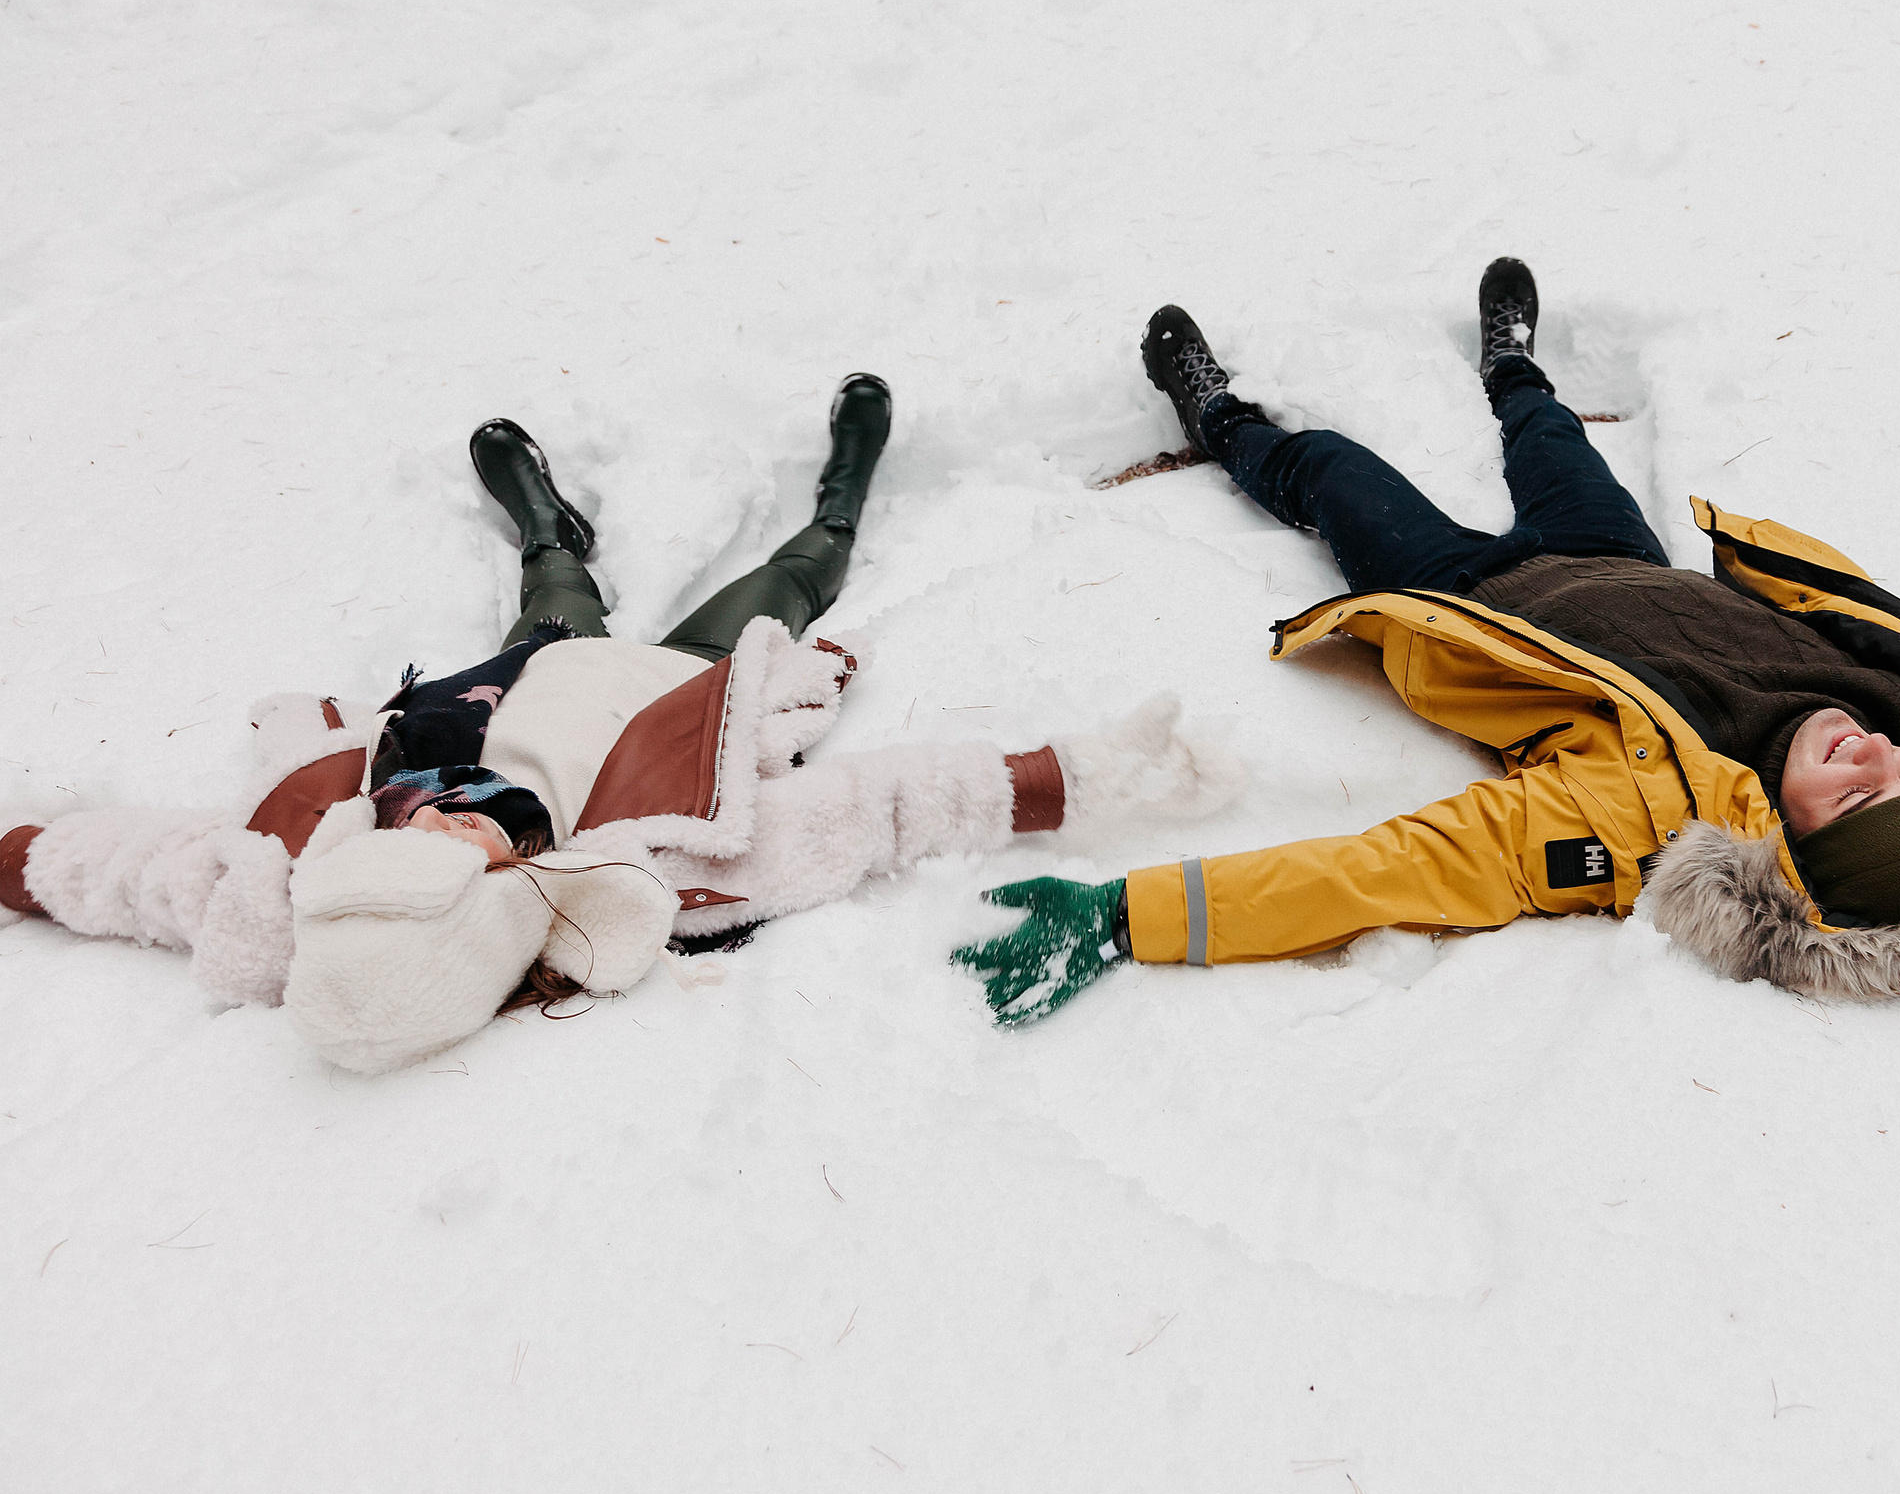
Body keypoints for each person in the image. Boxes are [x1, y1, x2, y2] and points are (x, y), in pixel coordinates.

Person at [952, 260, 1900, 1025]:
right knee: (1558, 444)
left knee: (1336, 476)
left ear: (1793, 836)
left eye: (1853, 790)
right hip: (1623, 563)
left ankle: (1224, 418)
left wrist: (1135, 915)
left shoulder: (1640, 816)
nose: (1876, 754)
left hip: (1476, 602)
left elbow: (1401, 868)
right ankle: (1514, 373)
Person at [1, 376, 1239, 1072]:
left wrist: (17, 862)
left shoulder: (293, 879)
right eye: (455, 856)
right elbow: (876, 809)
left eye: (399, 834)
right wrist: (1072, 774)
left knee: (551, 587)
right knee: (789, 581)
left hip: (520, 670)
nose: (433, 821)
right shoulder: (648, 871)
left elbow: (139, 873)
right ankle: (843, 495)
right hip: (680, 683)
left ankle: (548, 526)